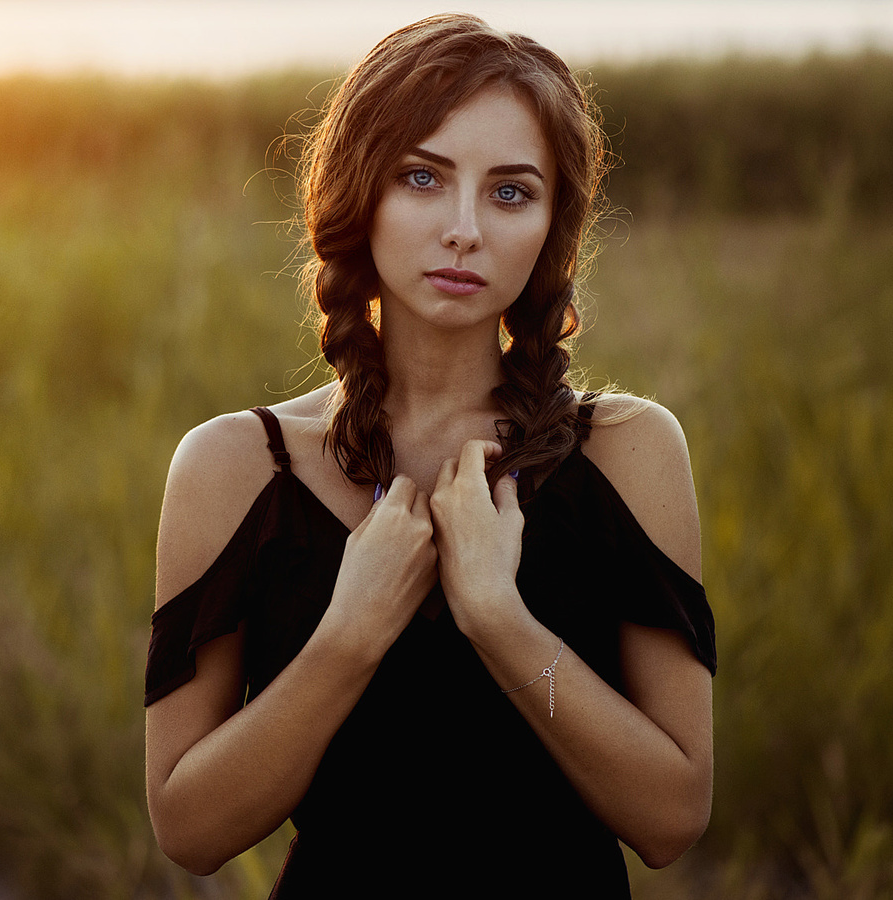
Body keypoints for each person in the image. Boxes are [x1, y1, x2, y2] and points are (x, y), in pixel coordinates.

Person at [143, 13, 716, 898]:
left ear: (552, 223)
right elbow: (188, 829)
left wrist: (498, 617)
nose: (464, 229)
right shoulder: (237, 466)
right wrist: (351, 633)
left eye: (511, 192)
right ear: (358, 193)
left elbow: (672, 818)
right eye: (422, 177)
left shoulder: (629, 452)